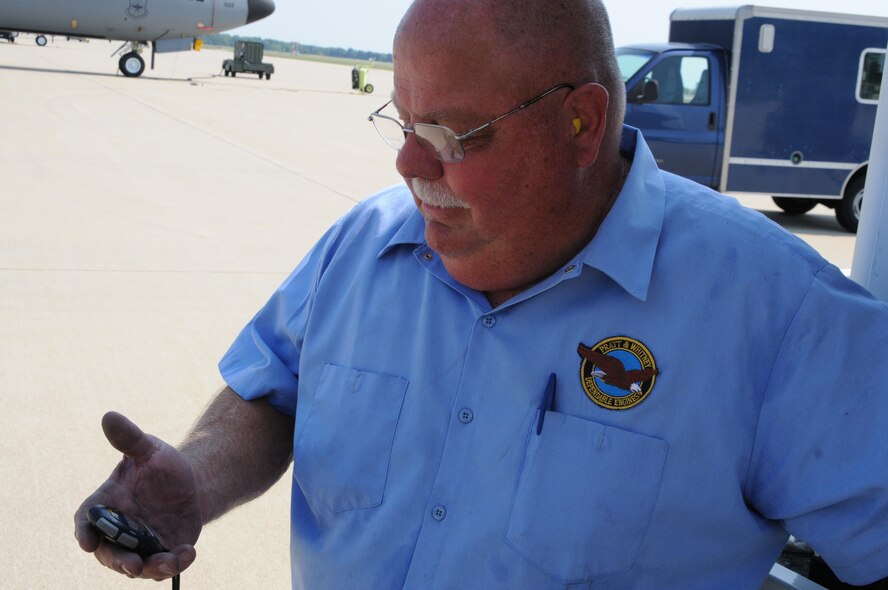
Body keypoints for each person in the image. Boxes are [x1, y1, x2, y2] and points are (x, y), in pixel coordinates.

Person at [75, 0, 888, 588]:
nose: (408, 167)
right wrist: (201, 478)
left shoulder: (783, 316)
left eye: (450, 136)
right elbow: (274, 389)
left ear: (580, 123)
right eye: (403, 124)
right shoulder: (361, 248)